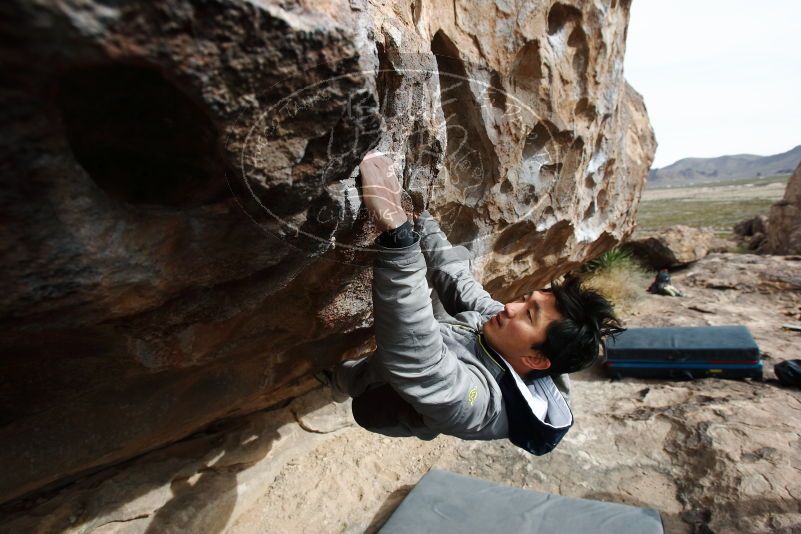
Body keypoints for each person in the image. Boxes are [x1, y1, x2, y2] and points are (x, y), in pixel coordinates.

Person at [320, 151, 624, 455]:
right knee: (452, 274)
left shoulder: (482, 407)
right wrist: (417, 219)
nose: (510, 307)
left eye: (529, 316)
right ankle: (345, 377)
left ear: (535, 360)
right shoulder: (514, 336)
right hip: (442, 346)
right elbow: (460, 284)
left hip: (389, 398)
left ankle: (340, 384)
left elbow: (420, 360)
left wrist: (397, 234)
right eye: (524, 300)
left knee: (363, 381)